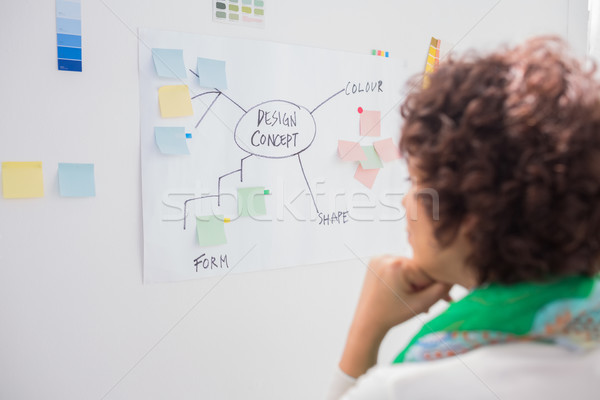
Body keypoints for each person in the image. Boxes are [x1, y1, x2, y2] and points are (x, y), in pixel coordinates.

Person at [328, 37, 600, 399]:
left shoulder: (409, 388)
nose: (406, 202)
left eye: (416, 183)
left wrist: (367, 329)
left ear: (474, 217)